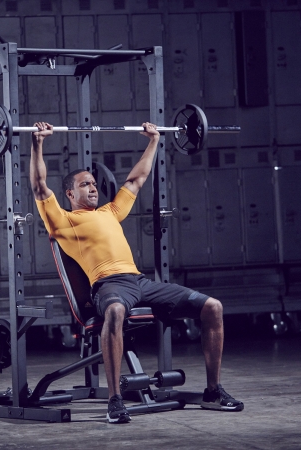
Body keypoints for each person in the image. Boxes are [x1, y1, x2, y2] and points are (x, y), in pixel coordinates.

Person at [29, 121, 244, 424]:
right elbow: (39, 185)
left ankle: (212, 391)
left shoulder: (109, 212)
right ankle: (115, 400)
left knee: (213, 307)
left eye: (94, 183)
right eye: (85, 184)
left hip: (140, 282)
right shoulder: (62, 221)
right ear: (69, 193)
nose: (93, 187)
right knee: (115, 312)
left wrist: (154, 140)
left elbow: (137, 178)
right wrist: (38, 142)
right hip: (108, 285)